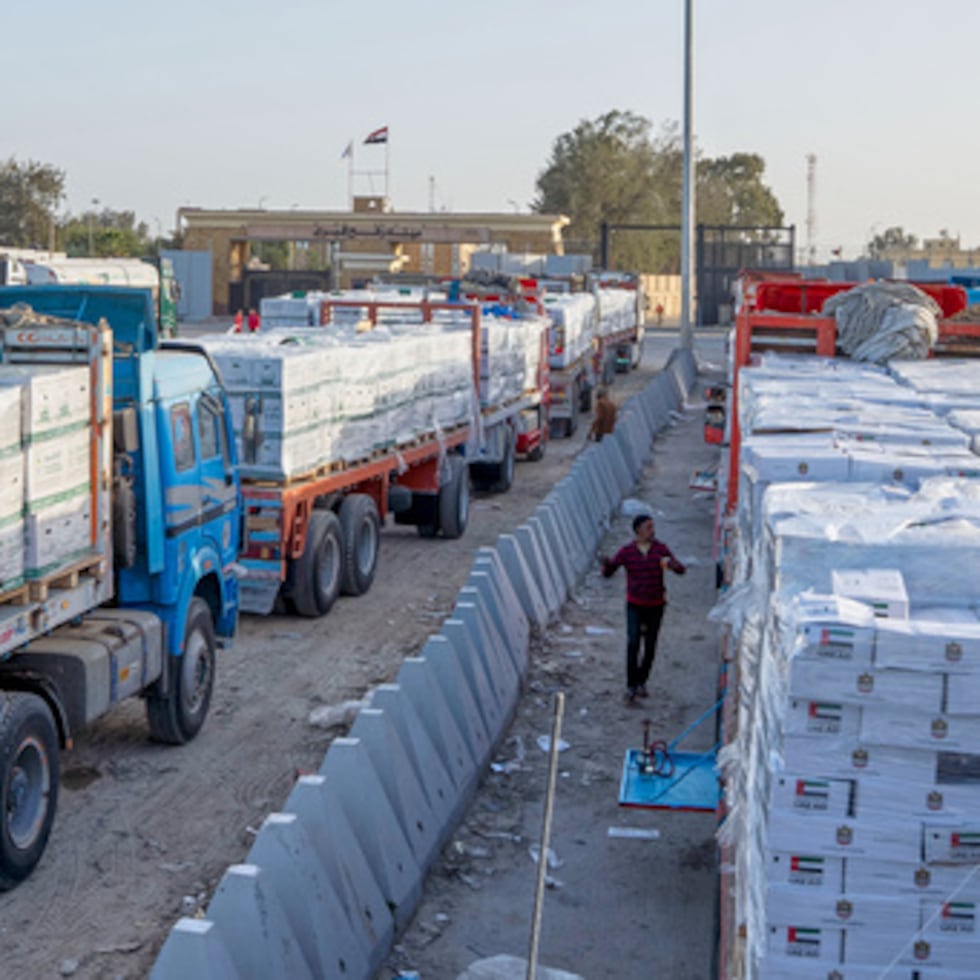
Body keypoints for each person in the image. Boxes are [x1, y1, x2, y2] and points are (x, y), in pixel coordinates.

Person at [600, 514, 686, 705]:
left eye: (652, 527)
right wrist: (605, 565)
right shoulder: (627, 552)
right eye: (648, 527)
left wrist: (673, 566)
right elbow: (610, 571)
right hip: (635, 604)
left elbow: (681, 569)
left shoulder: (660, 550)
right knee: (633, 643)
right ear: (638, 530)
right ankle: (631, 684)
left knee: (650, 646)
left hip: (656, 605)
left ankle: (641, 681)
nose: (652, 531)